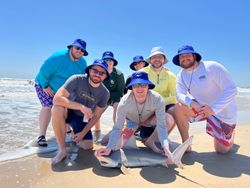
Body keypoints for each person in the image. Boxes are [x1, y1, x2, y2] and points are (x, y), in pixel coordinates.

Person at [95, 72, 175, 164]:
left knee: (167, 119)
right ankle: (116, 139)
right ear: (131, 87)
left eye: (143, 85)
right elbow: (117, 127)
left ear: (148, 86)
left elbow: (161, 126)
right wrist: (109, 148)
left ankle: (151, 141)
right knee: (107, 143)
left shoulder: (157, 99)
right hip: (132, 123)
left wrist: (166, 149)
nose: (139, 88)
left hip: (149, 121)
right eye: (136, 85)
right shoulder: (124, 102)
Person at [172, 45, 237, 153]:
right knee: (178, 108)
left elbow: (231, 89)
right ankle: (186, 145)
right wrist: (193, 104)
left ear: (194, 56)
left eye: (187, 55)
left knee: (222, 151)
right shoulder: (181, 75)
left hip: (222, 112)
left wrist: (213, 109)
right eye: (181, 56)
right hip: (201, 109)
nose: (184, 58)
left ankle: (230, 135)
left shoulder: (212, 66)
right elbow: (179, 95)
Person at [51, 59, 110, 164]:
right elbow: (57, 99)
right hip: (68, 111)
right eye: (95, 71)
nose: (97, 74)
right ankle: (62, 149)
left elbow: (96, 116)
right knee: (56, 108)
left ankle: (73, 132)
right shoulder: (76, 79)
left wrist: (83, 133)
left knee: (87, 146)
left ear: (105, 76)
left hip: (82, 118)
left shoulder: (105, 93)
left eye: (102, 73)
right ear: (89, 71)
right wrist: (81, 107)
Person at [34, 39, 88, 147]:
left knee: (66, 109)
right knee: (48, 107)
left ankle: (67, 130)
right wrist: (45, 85)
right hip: (46, 84)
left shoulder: (82, 63)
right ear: (71, 47)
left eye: (82, 50)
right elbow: (43, 71)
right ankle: (41, 136)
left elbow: (82, 80)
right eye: (77, 48)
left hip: (64, 90)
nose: (79, 51)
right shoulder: (58, 57)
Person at [139, 47, 177, 138]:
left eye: (160, 57)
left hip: (163, 107)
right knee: (144, 136)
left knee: (177, 110)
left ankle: (163, 138)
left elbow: (175, 97)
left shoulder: (170, 75)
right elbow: (130, 94)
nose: (157, 59)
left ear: (164, 60)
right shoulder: (141, 73)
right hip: (145, 109)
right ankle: (144, 131)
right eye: (154, 57)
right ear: (150, 59)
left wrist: (159, 102)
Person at [93, 51, 125, 132]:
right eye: (106, 60)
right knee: (95, 112)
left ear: (113, 62)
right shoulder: (98, 73)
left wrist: (107, 96)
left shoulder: (119, 74)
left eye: (110, 60)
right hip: (101, 97)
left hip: (115, 97)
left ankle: (117, 129)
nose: (108, 62)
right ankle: (97, 130)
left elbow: (120, 92)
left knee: (118, 106)